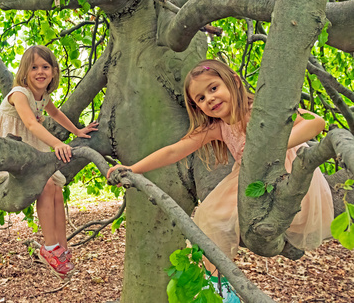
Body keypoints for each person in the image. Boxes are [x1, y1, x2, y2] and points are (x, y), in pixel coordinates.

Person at [107, 59, 333, 301]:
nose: (209, 99)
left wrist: (268, 148)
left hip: (286, 175)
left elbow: (316, 122)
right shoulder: (217, 128)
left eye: (213, 88)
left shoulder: (259, 110)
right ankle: (219, 287)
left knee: (218, 216)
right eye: (201, 99)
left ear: (233, 81)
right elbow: (174, 151)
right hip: (249, 181)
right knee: (207, 218)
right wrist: (133, 169)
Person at [0, 45, 98, 279]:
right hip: (10, 152)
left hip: (29, 149)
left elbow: (56, 114)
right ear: (24, 72)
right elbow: (31, 124)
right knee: (45, 186)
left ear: (54, 72)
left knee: (56, 189)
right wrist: (57, 143)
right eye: (34, 67)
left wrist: (77, 130)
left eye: (46, 67)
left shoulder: (43, 96)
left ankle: (62, 247)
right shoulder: (20, 93)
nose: (40, 72)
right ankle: (49, 247)